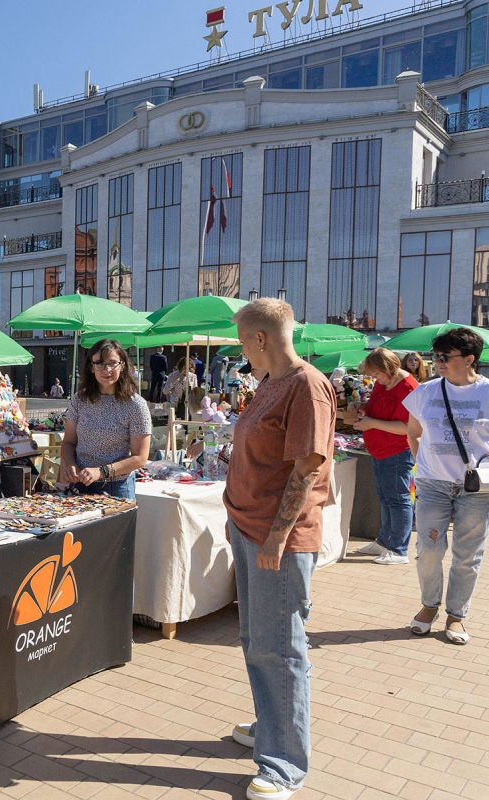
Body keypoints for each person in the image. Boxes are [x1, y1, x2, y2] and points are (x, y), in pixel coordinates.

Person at [224, 299, 336, 800]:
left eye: (243, 341)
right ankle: (273, 725)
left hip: (277, 539)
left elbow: (307, 469)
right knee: (259, 640)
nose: (242, 349)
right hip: (250, 528)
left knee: (280, 648)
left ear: (261, 339)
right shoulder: (272, 383)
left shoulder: (307, 386)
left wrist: (276, 537)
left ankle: (284, 762)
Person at [403, 327, 489, 645]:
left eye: (445, 356)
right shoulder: (426, 391)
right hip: (433, 484)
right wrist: (423, 467)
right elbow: (412, 432)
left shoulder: (487, 392)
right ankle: (429, 606)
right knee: (427, 550)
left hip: (476, 490)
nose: (437, 361)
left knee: (468, 555)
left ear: (469, 359)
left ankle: (456, 616)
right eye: (435, 356)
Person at [345, 349, 418, 565]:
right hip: (380, 450)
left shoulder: (408, 388)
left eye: (376, 374)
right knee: (386, 498)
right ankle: (385, 541)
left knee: (399, 499)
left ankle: (398, 549)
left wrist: (373, 423)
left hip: (397, 452)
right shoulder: (385, 382)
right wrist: (362, 407)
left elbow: (409, 428)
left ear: (388, 369)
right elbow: (378, 406)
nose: (374, 379)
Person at [58, 339, 152, 500]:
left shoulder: (136, 405)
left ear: (122, 366)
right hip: (79, 485)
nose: (106, 369)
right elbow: (68, 442)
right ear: (91, 367)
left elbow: (140, 457)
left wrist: (101, 471)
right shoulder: (79, 400)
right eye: (99, 363)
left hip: (116, 487)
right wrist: (70, 464)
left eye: (112, 363)